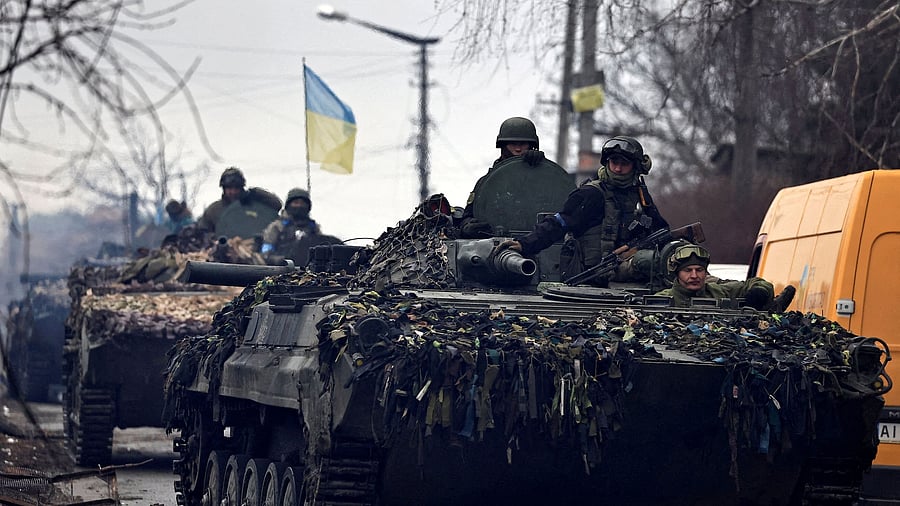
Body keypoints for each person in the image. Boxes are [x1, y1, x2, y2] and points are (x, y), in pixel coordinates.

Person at [496, 135, 669, 285]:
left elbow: (661, 230)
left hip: (628, 272)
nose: (617, 168)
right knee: (648, 261)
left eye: (624, 164)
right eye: (614, 162)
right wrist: (524, 244)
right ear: (607, 163)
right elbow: (559, 223)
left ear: (635, 166)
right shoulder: (592, 193)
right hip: (595, 274)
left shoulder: (639, 194)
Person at [459, 117, 549, 238]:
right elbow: (468, 216)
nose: (518, 149)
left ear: (531, 145)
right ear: (503, 145)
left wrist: (542, 166)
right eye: (513, 144)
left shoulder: (543, 179)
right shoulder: (488, 183)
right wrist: (468, 226)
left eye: (522, 144)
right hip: (495, 242)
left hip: (538, 241)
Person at [655, 243, 792, 310]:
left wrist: (759, 293)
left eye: (699, 270)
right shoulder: (661, 300)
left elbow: (757, 283)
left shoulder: (719, 291)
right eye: (688, 270)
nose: (694, 275)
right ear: (677, 273)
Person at [261, 188, 340, 266]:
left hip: (306, 268)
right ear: (288, 205)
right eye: (296, 202)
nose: (299, 206)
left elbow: (319, 249)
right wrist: (280, 260)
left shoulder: (313, 227)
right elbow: (266, 253)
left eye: (302, 203)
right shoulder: (277, 226)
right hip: (283, 268)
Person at [198, 167, 282, 235]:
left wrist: (256, 192)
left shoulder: (254, 206)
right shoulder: (214, 210)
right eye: (229, 188)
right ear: (224, 188)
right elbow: (203, 230)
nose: (233, 192)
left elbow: (277, 205)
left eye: (236, 188)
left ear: (241, 188)